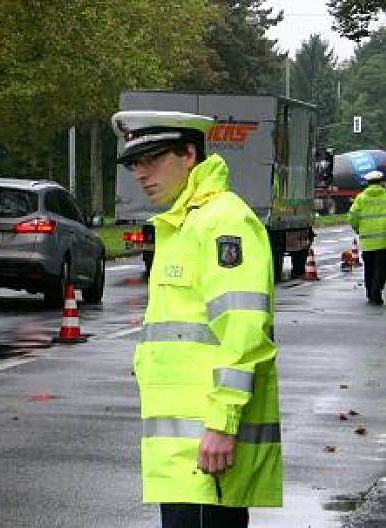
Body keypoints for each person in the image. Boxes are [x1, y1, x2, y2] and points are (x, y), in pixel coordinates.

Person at [111, 110, 282, 527]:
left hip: (207, 450)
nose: (141, 174)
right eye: (135, 163)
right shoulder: (184, 224)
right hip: (187, 454)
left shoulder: (223, 222)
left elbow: (244, 335)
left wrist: (223, 425)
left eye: (153, 160)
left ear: (189, 154)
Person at [348, 169, 386, 305]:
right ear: (381, 182)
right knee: (381, 269)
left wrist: (358, 229)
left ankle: (370, 292)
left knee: (369, 268)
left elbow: (352, 217)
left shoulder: (361, 198)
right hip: (383, 242)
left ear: (367, 183)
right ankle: (376, 291)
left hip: (367, 242)